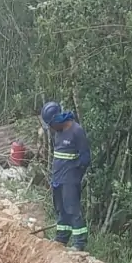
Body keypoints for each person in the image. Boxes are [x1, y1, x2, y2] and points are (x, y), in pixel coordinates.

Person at [41, 101, 91, 251]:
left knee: (72, 209)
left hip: (70, 179)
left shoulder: (77, 131)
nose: (50, 128)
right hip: (58, 178)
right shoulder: (58, 133)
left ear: (57, 120)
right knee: (61, 209)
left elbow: (85, 159)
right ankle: (61, 238)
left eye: (51, 124)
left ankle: (79, 243)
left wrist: (75, 175)